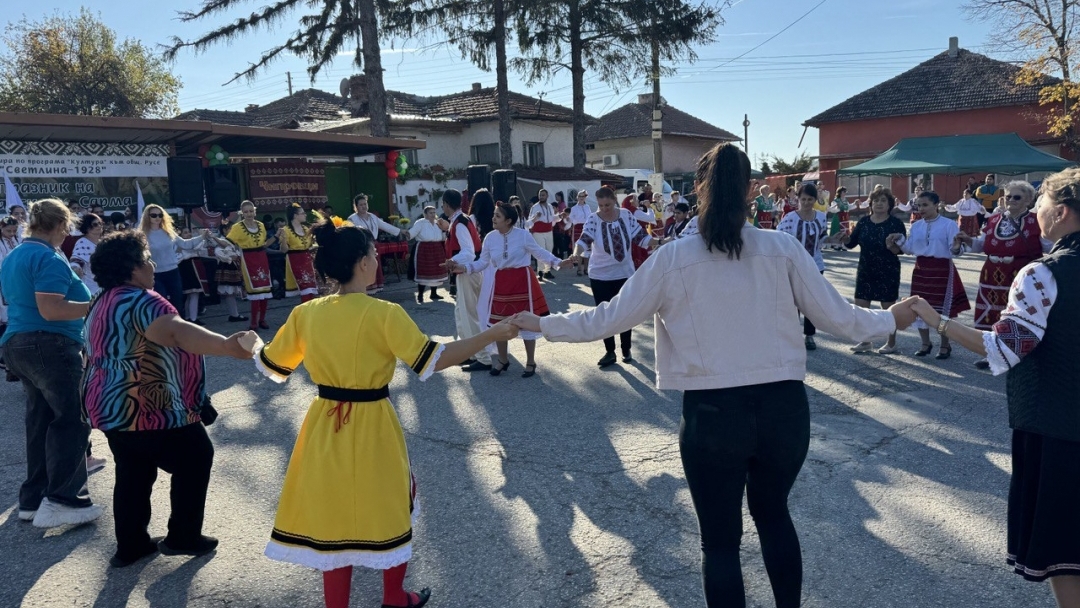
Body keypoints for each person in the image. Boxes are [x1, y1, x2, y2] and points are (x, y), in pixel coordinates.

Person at [510, 143, 917, 608]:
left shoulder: (673, 258)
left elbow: (609, 318)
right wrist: (891, 319)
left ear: (699, 188)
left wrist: (543, 323)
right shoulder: (780, 248)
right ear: (750, 190)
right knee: (775, 517)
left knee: (720, 544)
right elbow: (840, 318)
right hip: (783, 412)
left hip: (712, 417)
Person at [254, 220, 517, 608]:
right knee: (391, 504)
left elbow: (275, 365)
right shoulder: (384, 313)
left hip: (324, 425)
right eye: (374, 254)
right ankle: (394, 596)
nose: (377, 259)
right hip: (373, 422)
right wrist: (491, 335)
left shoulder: (306, 313)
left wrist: (251, 341)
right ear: (362, 263)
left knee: (334, 514)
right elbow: (435, 359)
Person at [908, 166, 1080, 608]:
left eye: (1040, 200)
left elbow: (1004, 347)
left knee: (1066, 551)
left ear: (1060, 213)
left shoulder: (1044, 275)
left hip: (1060, 428)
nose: (1037, 208)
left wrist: (937, 319)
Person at [82, 230, 256, 567]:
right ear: (133, 268)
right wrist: (225, 346)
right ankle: (183, 536)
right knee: (195, 456)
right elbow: (175, 331)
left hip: (109, 405)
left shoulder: (102, 299)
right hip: (149, 406)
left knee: (134, 471)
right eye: (146, 259)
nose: (151, 265)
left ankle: (131, 546)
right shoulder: (143, 301)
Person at [0, 198, 101, 528]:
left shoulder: (15, 255)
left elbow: (12, 299)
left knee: (40, 419)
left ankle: (34, 498)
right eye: (67, 227)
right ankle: (63, 499)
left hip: (20, 342)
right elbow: (52, 309)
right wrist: (94, 305)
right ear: (61, 225)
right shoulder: (47, 256)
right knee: (72, 419)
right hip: (50, 343)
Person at [448, 202, 564, 377]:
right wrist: (464, 268)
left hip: (522, 281)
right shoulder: (490, 238)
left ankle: (530, 361)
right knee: (499, 322)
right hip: (501, 281)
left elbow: (539, 252)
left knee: (526, 322)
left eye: (497, 216)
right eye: (494, 215)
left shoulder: (523, 235)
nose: (493, 218)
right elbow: (482, 263)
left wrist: (559, 262)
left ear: (508, 220)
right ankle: (503, 360)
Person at [955, 180, 1051, 369]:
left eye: (1017, 197)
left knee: (1019, 313)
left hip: (1020, 275)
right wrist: (968, 240)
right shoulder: (993, 220)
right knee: (990, 312)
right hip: (991, 274)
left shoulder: (1036, 222)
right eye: (1008, 196)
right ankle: (990, 354)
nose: (1011, 200)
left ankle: (1022, 354)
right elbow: (981, 245)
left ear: (1028, 201)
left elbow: (1049, 246)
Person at [570, 187, 654, 367]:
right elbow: (584, 239)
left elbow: (640, 237)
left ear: (614, 200)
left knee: (626, 312)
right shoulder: (593, 218)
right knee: (604, 315)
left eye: (607, 204)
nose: (604, 208)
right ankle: (610, 351)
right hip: (600, 275)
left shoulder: (626, 215)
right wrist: (576, 253)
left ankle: (626, 348)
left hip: (624, 273)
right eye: (600, 205)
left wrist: (661, 242)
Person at [886, 190, 970, 359]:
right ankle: (925, 343)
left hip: (941, 271)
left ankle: (945, 345)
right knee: (918, 308)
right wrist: (899, 239)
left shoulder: (948, 224)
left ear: (936, 205)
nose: (921, 209)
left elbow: (956, 251)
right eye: (918, 205)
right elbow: (909, 249)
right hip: (921, 270)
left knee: (941, 312)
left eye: (925, 205)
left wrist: (955, 246)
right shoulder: (916, 225)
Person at [776, 183, 847, 350]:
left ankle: (809, 335)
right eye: (803, 199)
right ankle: (793, 335)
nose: (806, 202)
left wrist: (832, 239)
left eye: (810, 199)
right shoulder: (790, 218)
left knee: (812, 301)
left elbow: (822, 238)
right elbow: (779, 238)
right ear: (798, 199)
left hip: (815, 264)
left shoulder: (821, 217)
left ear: (815, 200)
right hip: (794, 265)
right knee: (792, 301)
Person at [843, 188, 907, 354]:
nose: (879, 203)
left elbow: (901, 251)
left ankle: (891, 343)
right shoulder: (863, 222)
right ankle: (865, 341)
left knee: (888, 308)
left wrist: (891, 245)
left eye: (883, 200)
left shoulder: (896, 224)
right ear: (870, 204)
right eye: (876, 200)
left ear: (889, 204)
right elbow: (851, 244)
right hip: (866, 268)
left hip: (888, 269)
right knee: (862, 307)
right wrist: (844, 238)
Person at [442, 189, 492, 372]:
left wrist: (453, 261)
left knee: (469, 315)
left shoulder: (460, 223)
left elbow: (469, 251)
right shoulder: (459, 220)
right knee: (462, 313)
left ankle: (483, 357)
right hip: (465, 271)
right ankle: (469, 353)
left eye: (443, 204)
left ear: (447, 204)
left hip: (467, 271)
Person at [139, 204, 208, 312]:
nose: (157, 217)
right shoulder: (143, 235)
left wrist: (202, 237)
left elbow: (185, 244)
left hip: (173, 271)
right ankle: (164, 327)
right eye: (153, 215)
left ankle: (179, 326)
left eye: (160, 215)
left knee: (177, 303)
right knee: (161, 303)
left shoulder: (168, 231)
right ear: (147, 217)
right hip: (155, 274)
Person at [347, 193, 409, 294]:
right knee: (364, 266)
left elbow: (385, 226)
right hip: (361, 246)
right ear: (356, 206)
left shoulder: (372, 217)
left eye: (365, 204)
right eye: (361, 205)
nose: (364, 206)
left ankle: (375, 287)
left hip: (374, 245)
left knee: (374, 265)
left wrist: (401, 231)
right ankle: (365, 288)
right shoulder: (352, 219)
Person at [226, 201, 274, 330]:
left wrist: (276, 236)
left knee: (265, 290)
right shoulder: (237, 227)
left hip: (262, 258)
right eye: (246, 212)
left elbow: (264, 244)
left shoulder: (261, 225)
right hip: (248, 259)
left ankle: (262, 320)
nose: (249, 214)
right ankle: (253, 322)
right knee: (255, 291)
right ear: (242, 213)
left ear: (255, 211)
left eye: (251, 211)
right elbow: (228, 242)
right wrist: (214, 239)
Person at [280, 204, 319, 303]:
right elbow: (283, 250)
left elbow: (310, 245)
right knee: (305, 288)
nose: (305, 215)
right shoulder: (286, 230)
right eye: (302, 213)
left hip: (307, 260)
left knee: (310, 289)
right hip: (295, 260)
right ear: (295, 215)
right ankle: (305, 313)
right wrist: (283, 239)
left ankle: (309, 313)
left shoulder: (306, 229)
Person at [409, 206, 448, 304]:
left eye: (434, 212)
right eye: (430, 213)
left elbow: (442, 236)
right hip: (424, 249)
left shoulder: (437, 223)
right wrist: (405, 234)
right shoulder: (420, 223)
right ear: (425, 214)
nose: (433, 215)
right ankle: (420, 295)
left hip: (437, 248)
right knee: (424, 272)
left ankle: (433, 293)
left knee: (435, 271)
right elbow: (412, 233)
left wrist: (445, 231)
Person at [177, 227, 211, 324]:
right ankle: (192, 318)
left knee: (192, 294)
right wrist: (202, 237)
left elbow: (200, 248)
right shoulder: (181, 245)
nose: (188, 234)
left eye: (189, 232)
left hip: (194, 266)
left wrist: (203, 237)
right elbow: (196, 248)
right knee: (192, 293)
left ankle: (189, 317)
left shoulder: (193, 243)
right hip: (188, 267)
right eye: (185, 233)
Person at [526, 188, 558, 281]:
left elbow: (552, 219)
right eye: (540, 195)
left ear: (547, 196)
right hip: (538, 232)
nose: (541, 197)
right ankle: (540, 271)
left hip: (548, 231)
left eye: (543, 195)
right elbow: (529, 221)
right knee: (541, 251)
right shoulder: (535, 207)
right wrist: (536, 218)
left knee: (549, 250)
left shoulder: (550, 207)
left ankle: (547, 271)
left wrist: (559, 216)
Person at [70, 213, 104, 296]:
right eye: (95, 224)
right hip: (90, 290)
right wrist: (75, 269)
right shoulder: (83, 242)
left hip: (103, 288)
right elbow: (76, 262)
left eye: (100, 223)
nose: (99, 226)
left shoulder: (103, 242)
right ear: (87, 227)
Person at [568, 190, 594, 276]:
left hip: (586, 228)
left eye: (583, 196)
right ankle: (579, 269)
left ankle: (586, 269)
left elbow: (590, 218)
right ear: (577, 197)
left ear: (585, 197)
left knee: (587, 248)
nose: (581, 198)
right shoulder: (574, 208)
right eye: (580, 196)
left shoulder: (587, 207)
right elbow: (570, 220)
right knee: (578, 248)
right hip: (578, 228)